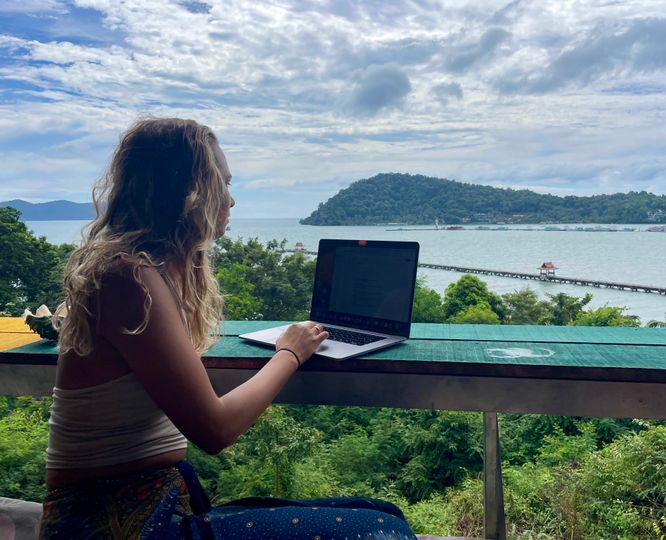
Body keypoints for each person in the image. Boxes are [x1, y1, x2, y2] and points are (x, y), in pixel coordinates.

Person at [40, 118, 417, 539]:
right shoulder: (128, 279)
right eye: (224, 183)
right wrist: (289, 353)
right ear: (188, 192)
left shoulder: (148, 274)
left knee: (383, 511)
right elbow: (215, 430)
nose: (231, 201)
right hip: (110, 520)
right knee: (383, 532)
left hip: (155, 498)